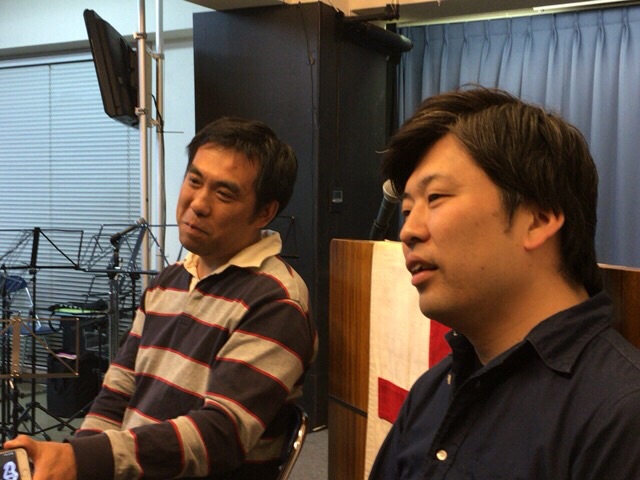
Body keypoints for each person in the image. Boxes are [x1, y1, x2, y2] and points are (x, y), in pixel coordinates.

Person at [5, 117, 318, 480]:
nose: (197, 204)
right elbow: (118, 390)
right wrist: (81, 460)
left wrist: (84, 460)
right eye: (194, 181)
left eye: (224, 194)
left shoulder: (276, 302)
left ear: (264, 212)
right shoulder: (169, 280)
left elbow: (219, 435)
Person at [369, 87, 640, 479]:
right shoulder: (433, 388)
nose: (408, 231)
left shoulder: (620, 415)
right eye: (408, 210)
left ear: (539, 219)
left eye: (436, 197)